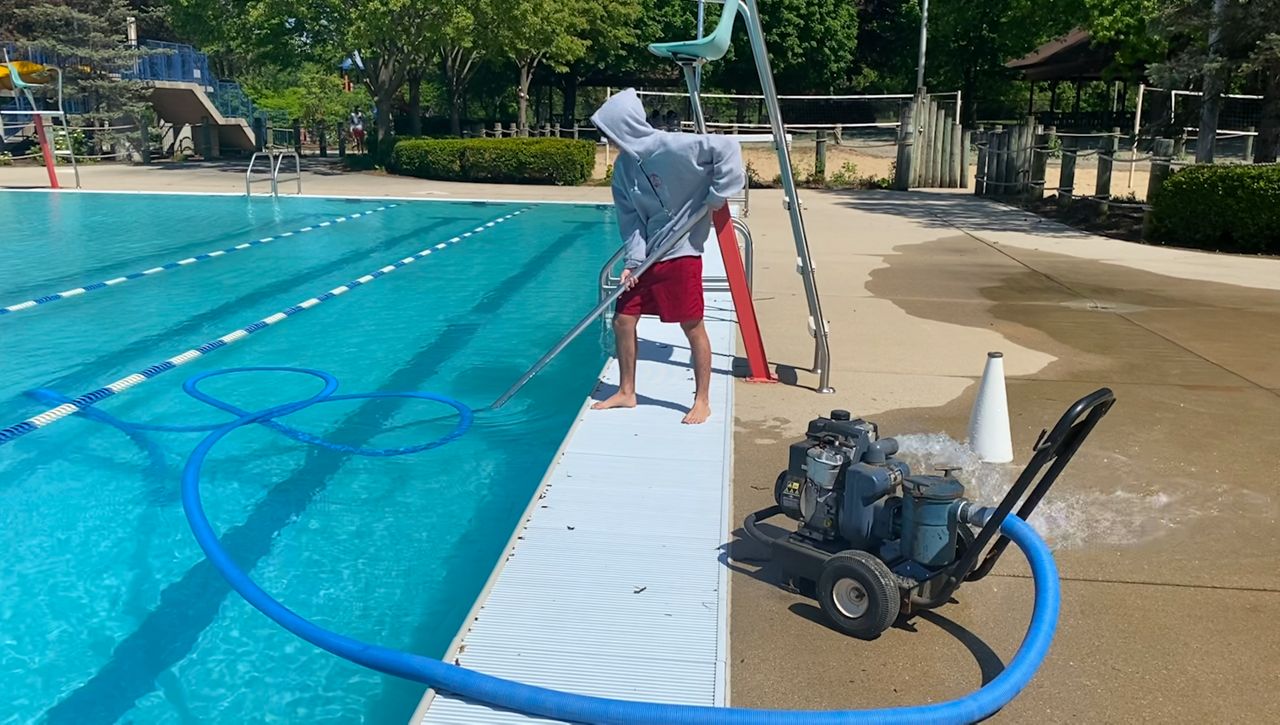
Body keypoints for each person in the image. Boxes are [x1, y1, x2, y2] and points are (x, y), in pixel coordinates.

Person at [589, 88, 745, 425]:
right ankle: (627, 391)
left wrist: (718, 193)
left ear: (626, 125)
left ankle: (702, 399)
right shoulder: (623, 170)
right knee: (623, 320)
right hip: (647, 258)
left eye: (612, 131)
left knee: (692, 325)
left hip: (681, 251)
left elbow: (728, 147)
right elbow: (630, 221)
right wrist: (632, 261)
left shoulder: (671, 145)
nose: (611, 139)